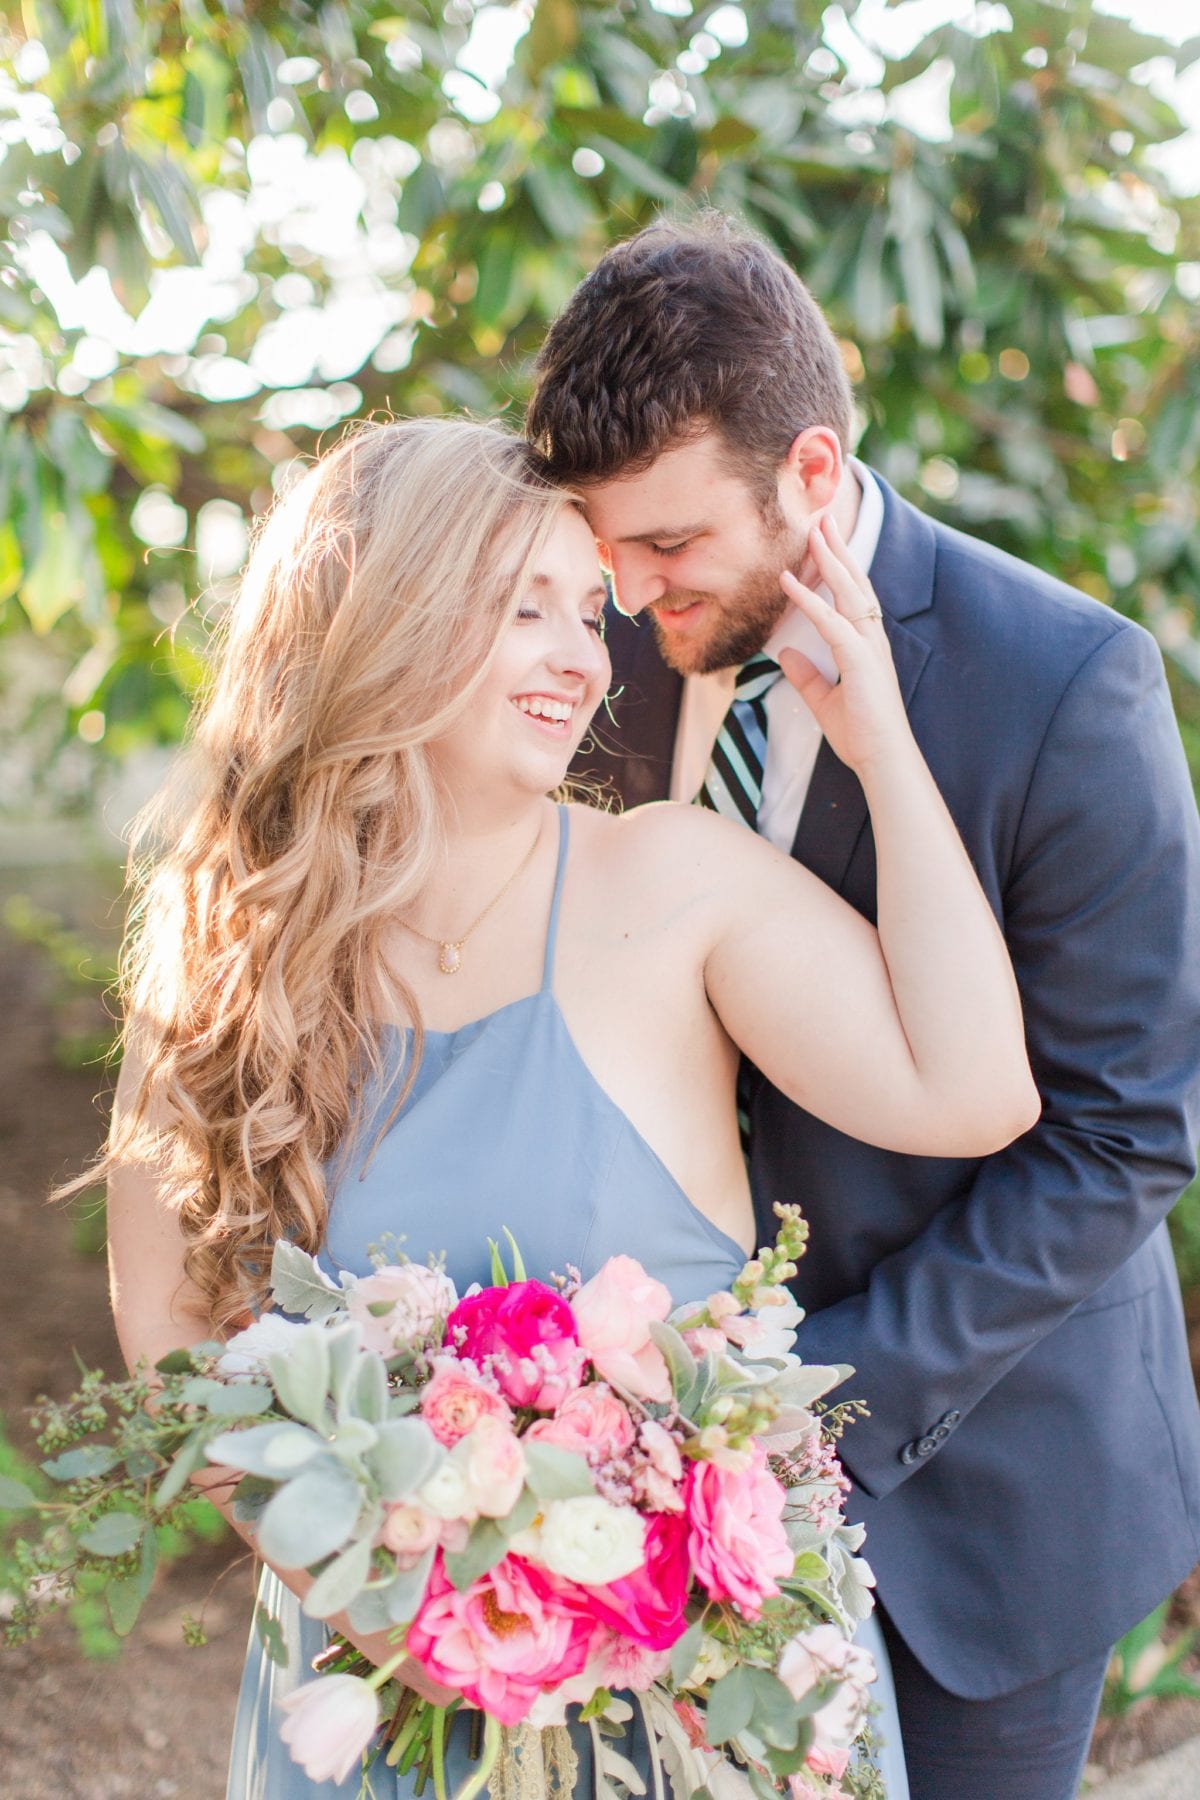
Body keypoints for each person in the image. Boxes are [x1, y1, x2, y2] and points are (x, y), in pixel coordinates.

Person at [100, 416, 1038, 1798]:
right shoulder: (224, 954)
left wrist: (879, 742)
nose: (582, 657)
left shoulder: (672, 885)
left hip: (707, 1716)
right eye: (522, 607)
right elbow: (176, 1338)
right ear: (384, 615)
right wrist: (392, 1615)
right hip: (384, 1704)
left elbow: (975, 1093)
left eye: (587, 611)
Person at [525, 211, 1200, 1800]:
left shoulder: (1070, 690)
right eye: (605, 543)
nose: (625, 588)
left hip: (988, 1494)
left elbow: (1123, 1136)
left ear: (811, 476)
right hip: (654, 1480)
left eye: (671, 546)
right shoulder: (606, 647)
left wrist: (819, 1393)